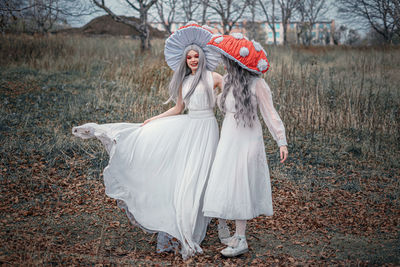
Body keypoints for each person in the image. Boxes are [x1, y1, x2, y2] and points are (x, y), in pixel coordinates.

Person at [72, 23, 222, 259]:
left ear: (203, 56)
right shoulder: (184, 81)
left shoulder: (214, 77)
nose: (193, 60)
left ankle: (198, 220)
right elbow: (178, 108)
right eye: (189, 57)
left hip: (208, 129)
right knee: (187, 176)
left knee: (203, 176)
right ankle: (180, 225)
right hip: (189, 128)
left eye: (196, 56)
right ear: (185, 60)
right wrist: (153, 118)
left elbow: (231, 96)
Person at [202, 33, 289, 257]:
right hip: (229, 138)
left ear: (235, 61)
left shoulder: (258, 84)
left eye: (226, 60)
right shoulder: (227, 80)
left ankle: (241, 238)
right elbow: (221, 107)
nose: (224, 62)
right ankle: (227, 229)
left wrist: (281, 140)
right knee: (224, 181)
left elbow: (270, 113)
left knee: (241, 184)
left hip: (249, 140)